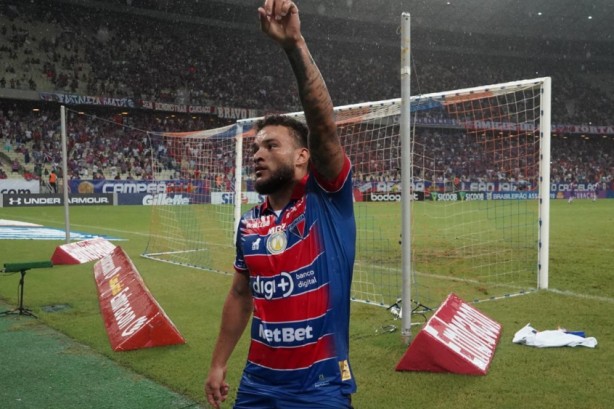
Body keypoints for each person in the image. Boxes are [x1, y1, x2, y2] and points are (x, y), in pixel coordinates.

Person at [204, 1, 356, 408]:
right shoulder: (249, 223)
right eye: (255, 147)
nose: (257, 154)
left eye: (272, 146)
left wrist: (294, 46)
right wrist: (219, 363)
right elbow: (240, 295)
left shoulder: (327, 202)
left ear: (303, 156)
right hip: (256, 386)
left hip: (320, 389)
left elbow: (322, 126)